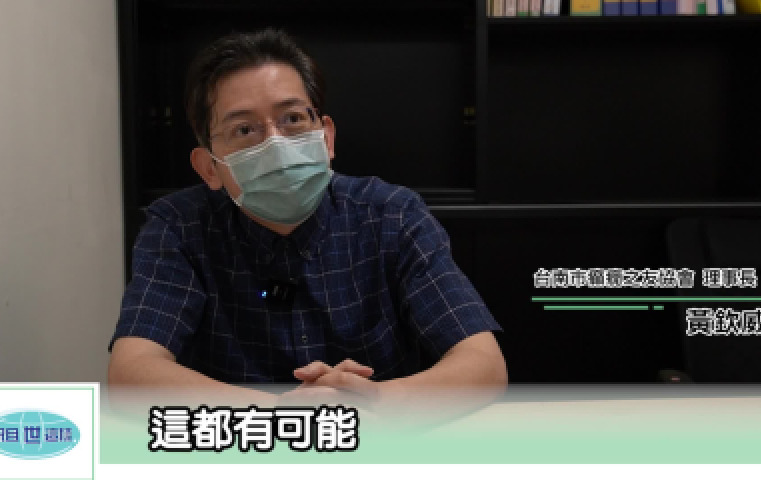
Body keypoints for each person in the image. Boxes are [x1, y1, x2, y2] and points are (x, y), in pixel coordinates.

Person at [107, 29, 506, 409]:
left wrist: (378, 402)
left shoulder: (393, 215)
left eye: (293, 119)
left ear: (326, 137)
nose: (275, 143)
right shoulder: (178, 227)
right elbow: (131, 371)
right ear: (209, 168)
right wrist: (281, 415)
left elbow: (483, 363)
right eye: (244, 129)